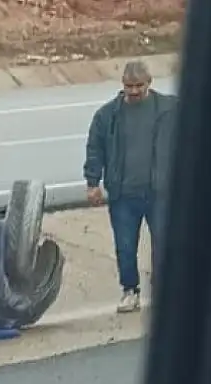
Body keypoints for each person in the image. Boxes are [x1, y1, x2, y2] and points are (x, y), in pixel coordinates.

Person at [83, 60, 178, 313]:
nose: (134, 91)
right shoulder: (107, 116)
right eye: (129, 86)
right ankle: (130, 291)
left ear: (149, 83)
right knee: (125, 246)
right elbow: (95, 149)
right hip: (123, 194)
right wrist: (92, 182)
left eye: (139, 86)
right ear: (122, 85)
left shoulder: (169, 110)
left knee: (164, 244)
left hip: (160, 192)